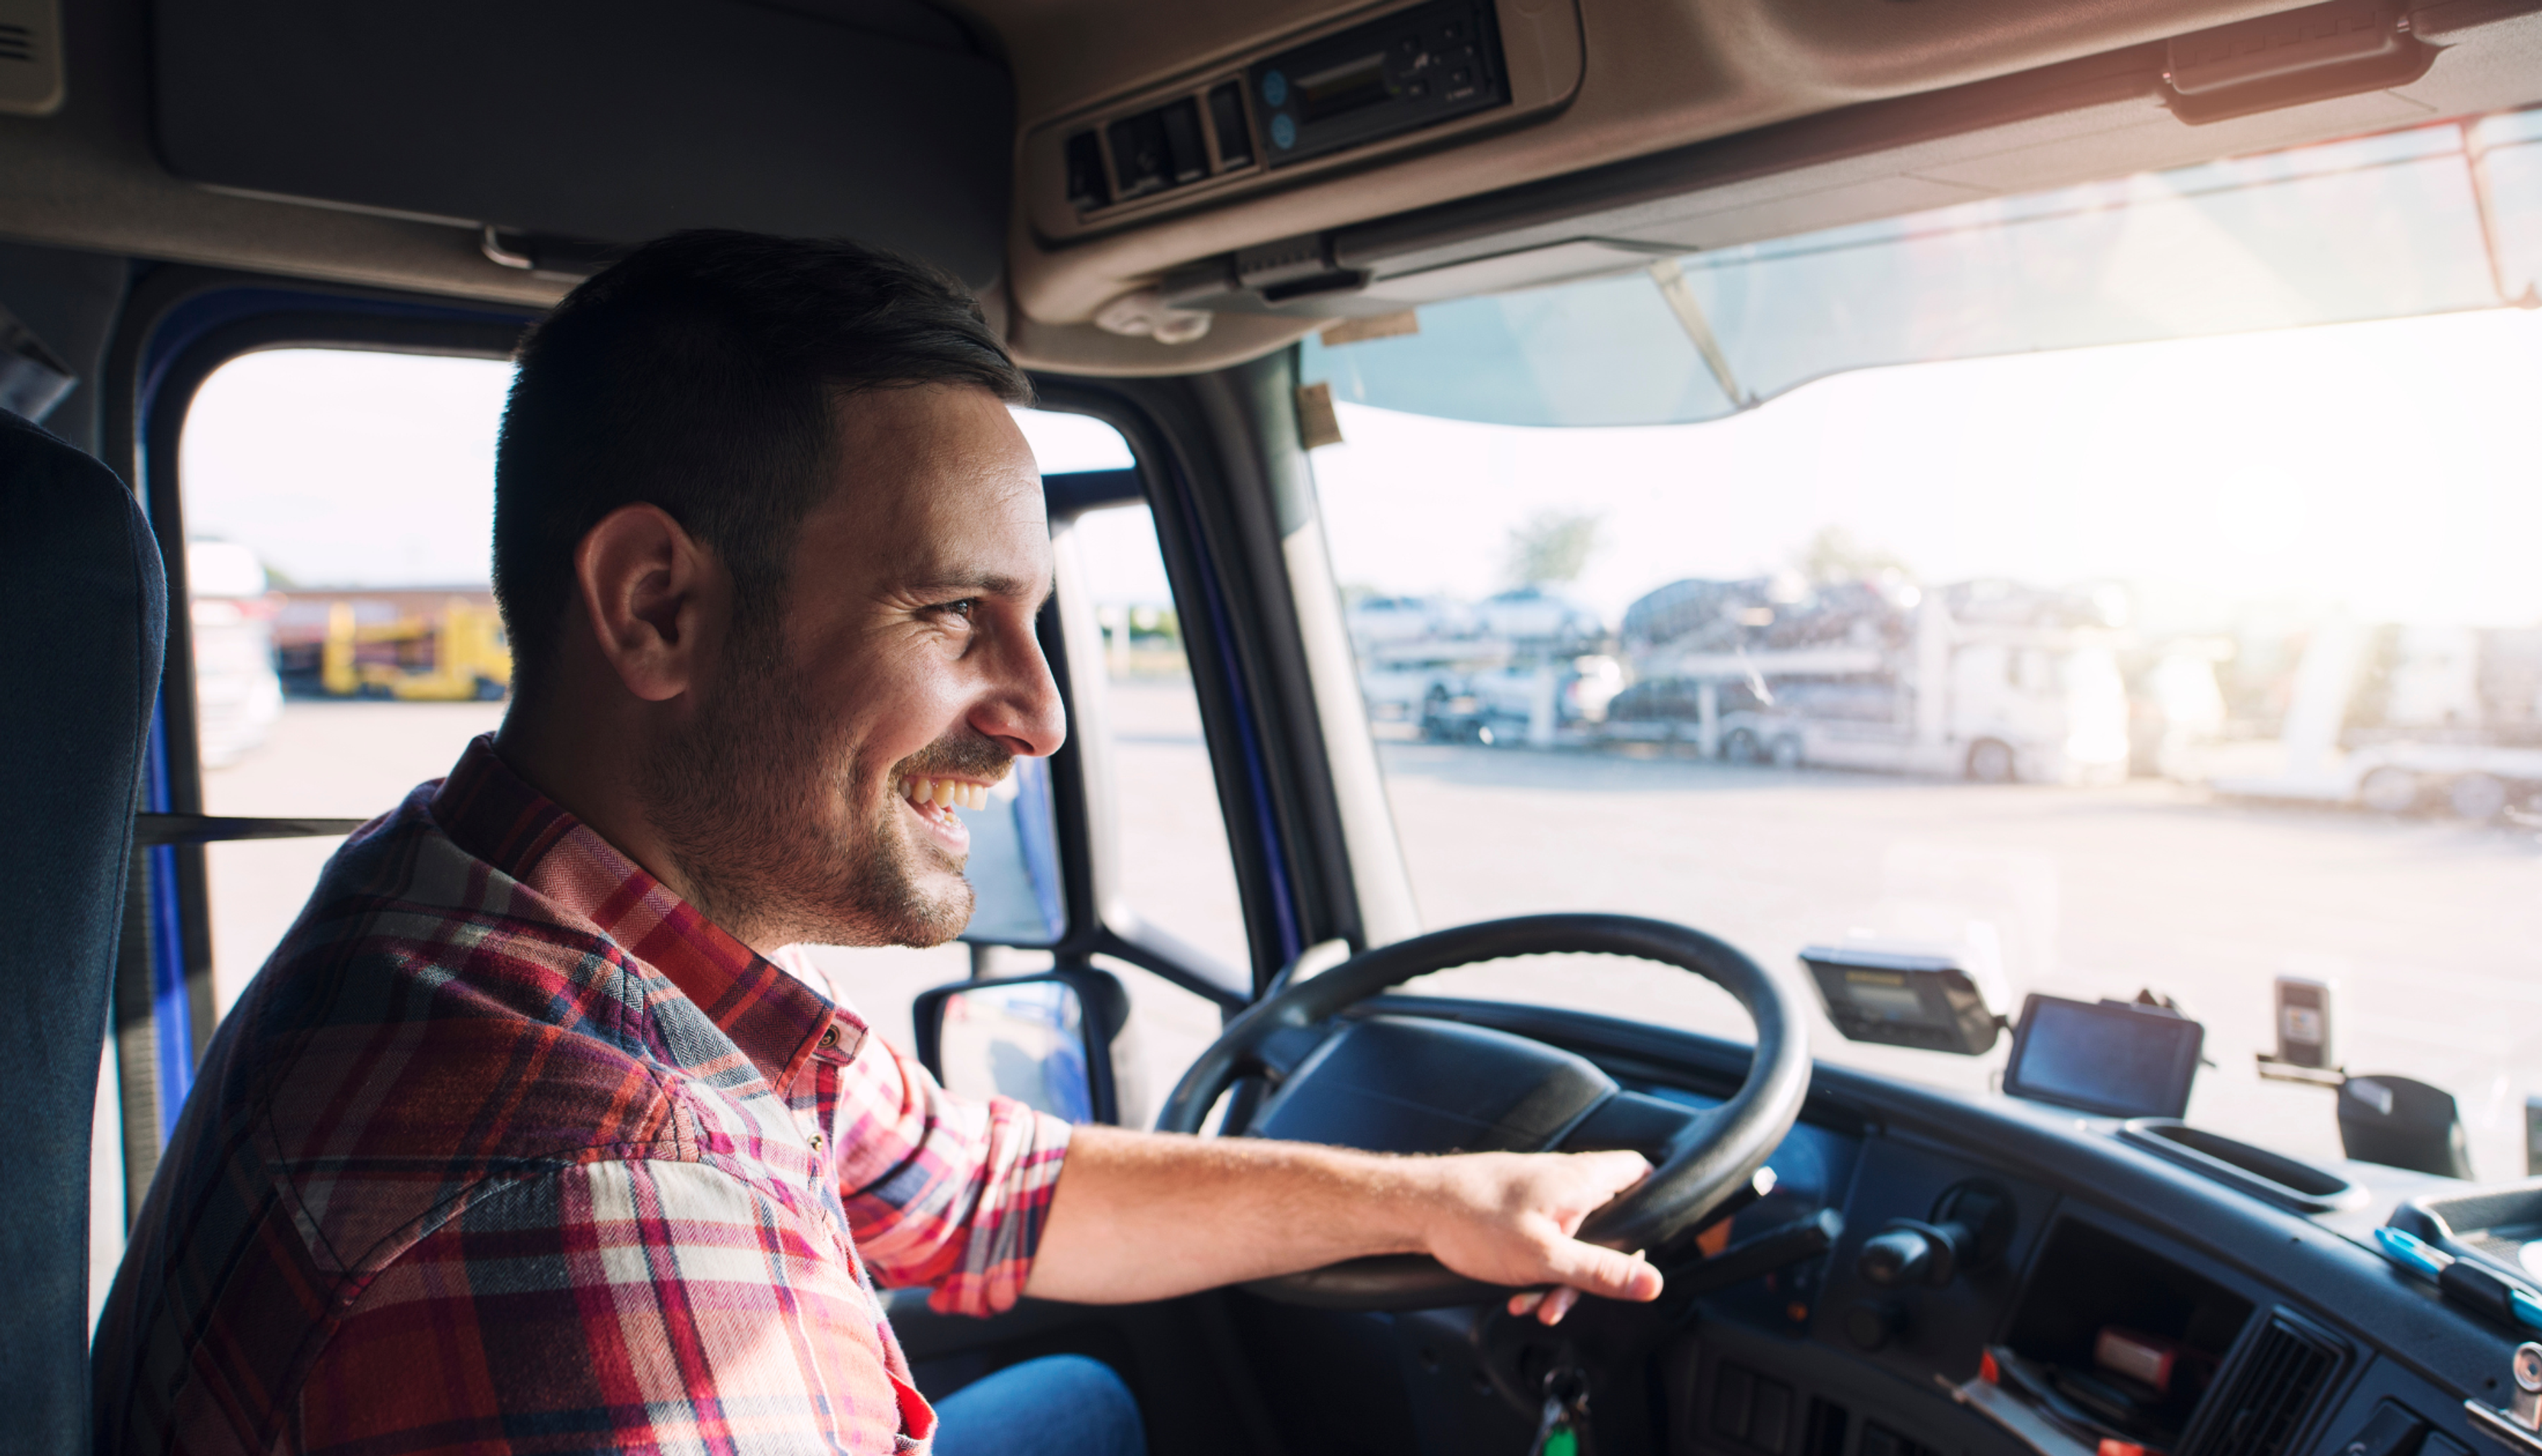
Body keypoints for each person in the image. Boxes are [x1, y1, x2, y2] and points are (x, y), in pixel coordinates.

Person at [91, 231, 1663, 1455]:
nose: (1040, 716)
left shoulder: (492, 896)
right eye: (952, 614)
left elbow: (983, 1187)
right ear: (658, 608)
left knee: (1080, 1406)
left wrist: (1434, 1203)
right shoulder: (601, 1212)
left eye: (1037, 623)